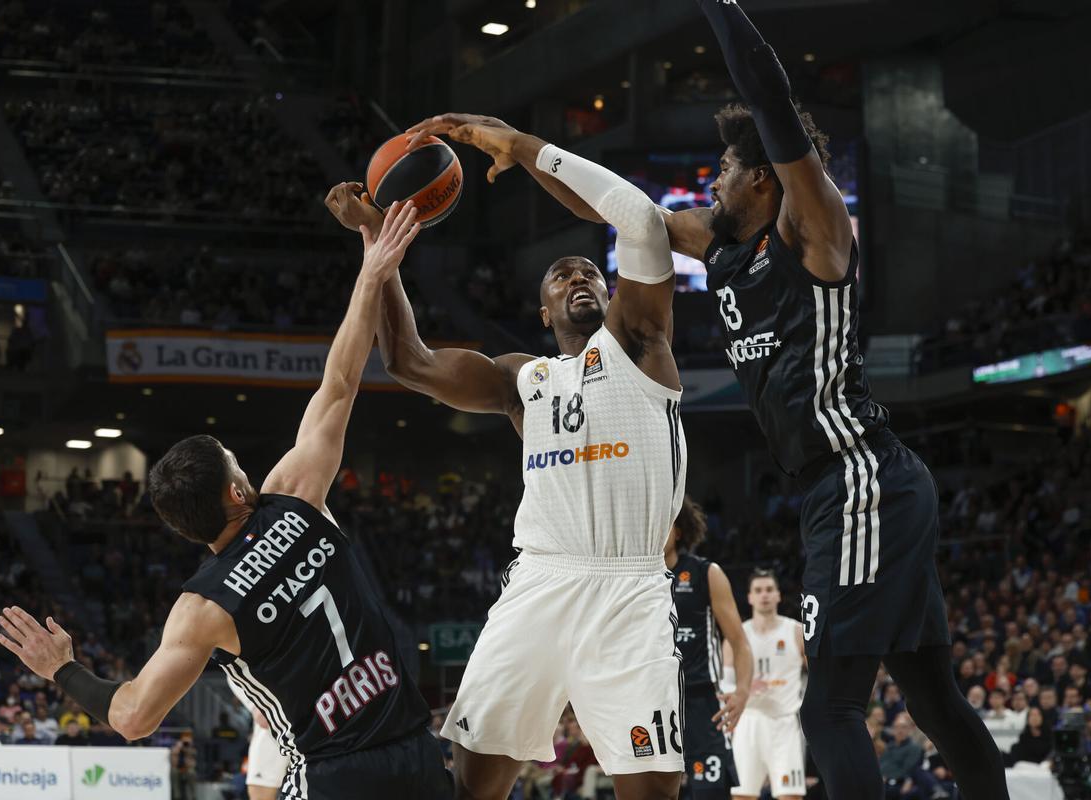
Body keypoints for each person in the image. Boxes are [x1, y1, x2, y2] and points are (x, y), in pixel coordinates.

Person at [399, 1, 1008, 796]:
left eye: (723, 169)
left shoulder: (814, 232)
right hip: (841, 485)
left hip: (858, 475)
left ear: (762, 177)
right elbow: (629, 213)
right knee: (932, 697)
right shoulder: (721, 244)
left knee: (828, 710)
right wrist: (524, 148)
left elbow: (768, 96)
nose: (711, 181)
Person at [0, 201, 450, 799]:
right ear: (238, 492)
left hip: (334, 776)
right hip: (414, 752)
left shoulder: (201, 607)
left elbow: (132, 717)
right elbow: (338, 384)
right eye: (238, 462)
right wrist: (371, 273)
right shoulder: (295, 496)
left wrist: (62, 669)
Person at [332, 118, 687, 799]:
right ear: (543, 305)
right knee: (472, 785)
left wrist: (524, 148)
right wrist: (377, 242)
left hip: (628, 590)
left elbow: (641, 220)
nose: (579, 276)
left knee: (652, 791)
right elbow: (409, 361)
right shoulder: (522, 382)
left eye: (590, 272)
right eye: (562, 274)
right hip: (539, 586)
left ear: (609, 294)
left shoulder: (641, 343)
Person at [663, 495, 754, 799]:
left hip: (701, 701)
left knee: (709, 793)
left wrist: (741, 691)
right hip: (652, 702)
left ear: (679, 531)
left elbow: (739, 641)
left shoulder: (705, 573)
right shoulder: (632, 579)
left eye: (666, 523)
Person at [727, 570, 806, 800]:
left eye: (769, 590)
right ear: (750, 597)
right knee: (742, 796)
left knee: (791, 796)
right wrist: (743, 688)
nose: (765, 595)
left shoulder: (796, 631)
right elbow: (723, 683)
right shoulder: (737, 635)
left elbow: (819, 676)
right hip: (747, 722)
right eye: (759, 590)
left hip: (785, 723)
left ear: (779, 596)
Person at [224, 668, 290, 800]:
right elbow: (263, 718)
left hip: (313, 709)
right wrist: (255, 705)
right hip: (275, 726)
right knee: (260, 788)